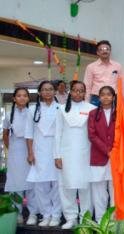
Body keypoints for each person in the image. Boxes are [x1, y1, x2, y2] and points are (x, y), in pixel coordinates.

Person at [54, 81, 96, 229]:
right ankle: (71, 218)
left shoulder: (92, 109)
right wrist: (57, 155)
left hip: (86, 153)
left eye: (81, 91)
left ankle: (86, 218)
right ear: (70, 92)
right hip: (66, 154)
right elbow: (57, 133)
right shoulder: (61, 109)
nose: (78, 93)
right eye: (75, 90)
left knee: (85, 187)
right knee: (67, 187)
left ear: (85, 93)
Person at [25, 81, 62, 227]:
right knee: (40, 185)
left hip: (56, 149)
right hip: (39, 149)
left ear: (55, 92)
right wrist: (30, 153)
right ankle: (45, 214)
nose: (47, 92)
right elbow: (29, 133)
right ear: (39, 92)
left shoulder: (61, 108)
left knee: (57, 184)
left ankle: (56, 215)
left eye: (50, 89)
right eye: (44, 90)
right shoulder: (32, 109)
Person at [3, 88, 38, 225]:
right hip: (15, 150)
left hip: (31, 148)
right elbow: (5, 134)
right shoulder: (8, 113)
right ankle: (16, 213)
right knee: (15, 182)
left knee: (31, 182)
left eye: (25, 96)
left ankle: (33, 213)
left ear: (28, 99)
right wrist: (10, 149)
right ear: (14, 98)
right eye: (19, 96)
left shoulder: (33, 112)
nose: (22, 98)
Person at [86, 86, 116, 222]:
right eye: (102, 94)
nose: (105, 97)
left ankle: (114, 218)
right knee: (99, 191)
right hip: (98, 156)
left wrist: (114, 151)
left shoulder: (119, 113)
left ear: (113, 97)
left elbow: (122, 134)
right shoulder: (93, 114)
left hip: (116, 157)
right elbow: (92, 135)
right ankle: (100, 220)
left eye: (109, 94)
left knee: (115, 190)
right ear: (98, 98)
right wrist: (106, 150)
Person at [84, 40, 123, 106]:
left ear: (110, 51)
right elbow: (87, 86)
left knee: (113, 116)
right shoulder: (91, 67)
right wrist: (86, 103)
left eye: (107, 49)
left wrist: (121, 102)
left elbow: (121, 85)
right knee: (96, 116)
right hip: (96, 98)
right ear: (97, 52)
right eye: (101, 49)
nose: (104, 51)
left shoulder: (118, 66)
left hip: (113, 98)